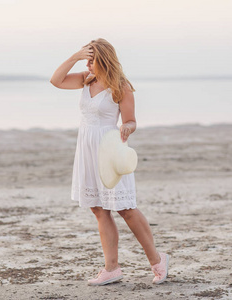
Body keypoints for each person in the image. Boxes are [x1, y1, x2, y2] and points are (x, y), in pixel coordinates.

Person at [50, 38, 169, 286]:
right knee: (98, 208)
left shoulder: (120, 86)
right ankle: (111, 269)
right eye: (87, 59)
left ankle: (158, 261)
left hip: (110, 150)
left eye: (92, 60)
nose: (88, 64)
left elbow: (131, 120)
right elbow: (56, 80)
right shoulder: (85, 79)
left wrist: (127, 127)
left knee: (125, 209)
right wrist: (75, 56)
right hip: (86, 149)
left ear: (104, 59)